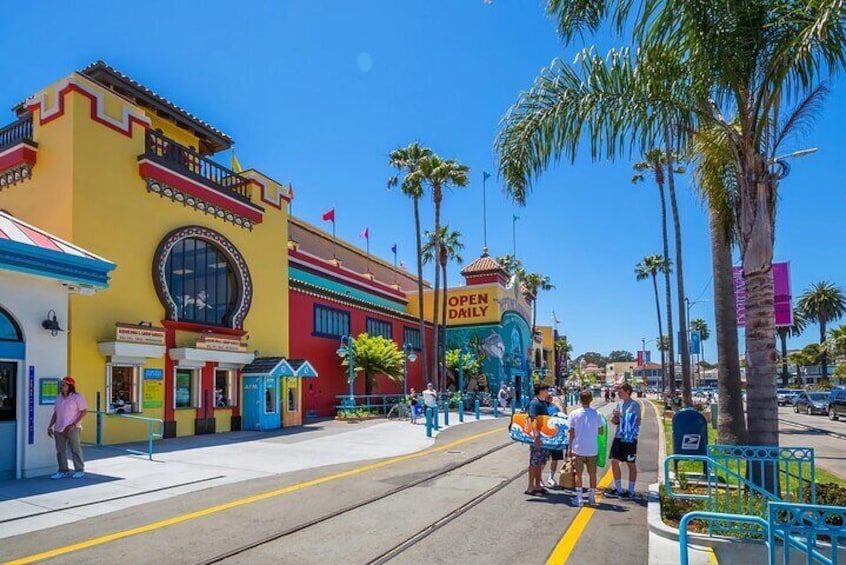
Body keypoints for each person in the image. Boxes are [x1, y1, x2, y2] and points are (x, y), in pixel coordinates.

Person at [567, 389, 605, 506]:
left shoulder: (574, 414)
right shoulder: (597, 414)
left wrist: (569, 448)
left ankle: (579, 499)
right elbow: (601, 431)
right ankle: (592, 498)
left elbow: (571, 433)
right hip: (592, 449)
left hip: (578, 448)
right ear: (591, 400)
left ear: (580, 399)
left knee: (578, 474)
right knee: (592, 474)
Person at [606, 383, 642, 499]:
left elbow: (637, 421)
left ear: (627, 392)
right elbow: (616, 421)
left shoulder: (635, 405)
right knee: (614, 461)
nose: (618, 394)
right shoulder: (619, 404)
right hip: (618, 436)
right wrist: (615, 418)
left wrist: (621, 416)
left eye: (621, 392)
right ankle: (618, 488)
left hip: (630, 438)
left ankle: (630, 490)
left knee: (630, 463)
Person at [47, 377, 88, 479]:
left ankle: (79, 470)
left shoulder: (77, 397)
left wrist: (74, 424)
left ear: (70, 386)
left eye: (64, 384)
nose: (61, 386)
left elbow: (84, 411)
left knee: (75, 449)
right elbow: (56, 413)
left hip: (73, 427)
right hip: (59, 427)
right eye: (61, 384)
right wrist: (50, 425)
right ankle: (63, 470)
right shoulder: (58, 397)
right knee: (60, 450)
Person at [525, 383, 551, 496]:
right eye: (546, 390)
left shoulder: (544, 402)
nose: (548, 392)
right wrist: (536, 435)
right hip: (538, 437)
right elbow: (533, 419)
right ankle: (530, 487)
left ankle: (538, 486)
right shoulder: (534, 403)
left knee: (541, 462)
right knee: (534, 462)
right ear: (540, 391)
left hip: (544, 437)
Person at [546, 393, 566, 487]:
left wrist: (560, 405)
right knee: (543, 459)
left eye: (551, 396)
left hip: (557, 437)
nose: (550, 398)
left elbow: (564, 417)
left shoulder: (556, 407)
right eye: (548, 396)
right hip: (546, 437)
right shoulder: (542, 408)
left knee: (555, 459)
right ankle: (540, 480)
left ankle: (551, 476)